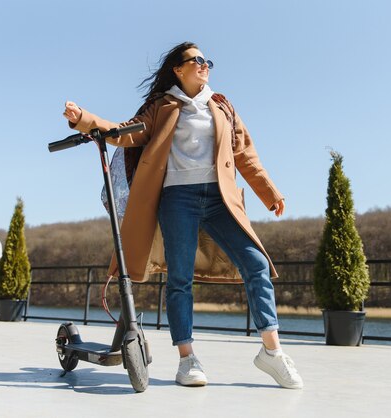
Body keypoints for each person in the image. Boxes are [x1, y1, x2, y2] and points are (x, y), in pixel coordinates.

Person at [62, 41, 303, 389]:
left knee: (257, 265)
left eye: (208, 61)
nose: (205, 66)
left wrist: (270, 193)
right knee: (180, 278)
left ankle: (272, 352)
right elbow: (124, 133)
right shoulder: (161, 106)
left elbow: (245, 154)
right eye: (197, 60)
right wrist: (84, 119)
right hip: (177, 199)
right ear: (178, 69)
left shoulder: (222, 106)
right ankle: (187, 358)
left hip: (220, 199)